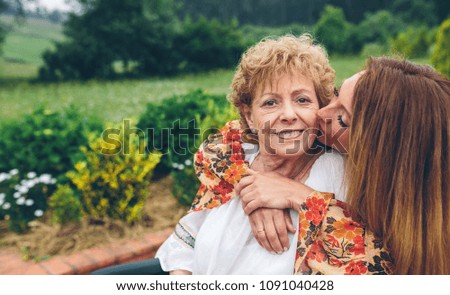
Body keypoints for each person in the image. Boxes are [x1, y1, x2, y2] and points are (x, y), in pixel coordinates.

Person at [197, 57, 450, 274]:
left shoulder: (362, 185)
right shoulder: (315, 146)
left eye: (341, 118)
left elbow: (375, 268)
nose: (321, 113)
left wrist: (302, 198)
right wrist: (252, 185)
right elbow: (221, 143)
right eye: (336, 95)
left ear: (381, 151)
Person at [155, 34, 347, 274]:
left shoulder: (337, 172)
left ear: (319, 107)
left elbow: (364, 255)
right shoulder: (234, 164)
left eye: (302, 99)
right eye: (270, 103)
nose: (288, 114)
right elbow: (183, 245)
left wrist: (303, 199)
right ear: (249, 117)